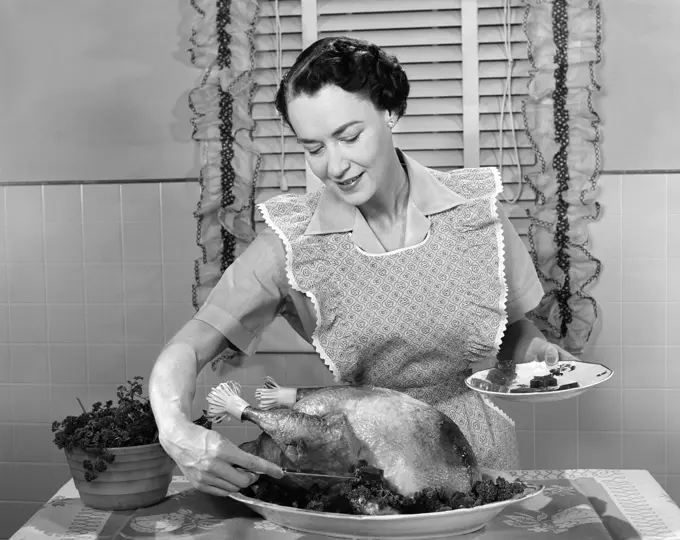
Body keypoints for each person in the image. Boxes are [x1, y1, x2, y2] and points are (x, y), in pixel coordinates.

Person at [149, 36, 576, 498]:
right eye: (313, 148)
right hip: (369, 465)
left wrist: (536, 354)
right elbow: (190, 345)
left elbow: (513, 331)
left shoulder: (475, 214)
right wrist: (173, 427)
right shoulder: (293, 243)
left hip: (477, 458)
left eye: (349, 137)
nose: (334, 165)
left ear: (390, 112)